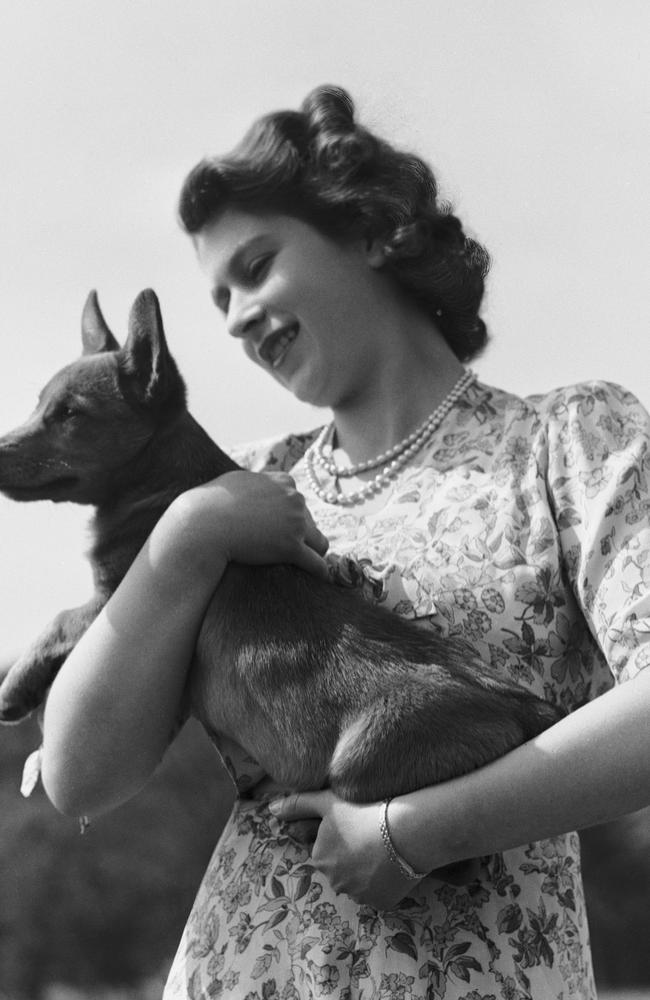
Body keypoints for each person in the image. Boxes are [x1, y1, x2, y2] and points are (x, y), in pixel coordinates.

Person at [41, 85, 650, 1000]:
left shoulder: (568, 441)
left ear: (374, 233)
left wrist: (421, 830)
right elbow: (84, 777)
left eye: (256, 267)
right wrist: (184, 541)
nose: (237, 318)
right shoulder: (227, 491)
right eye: (218, 300)